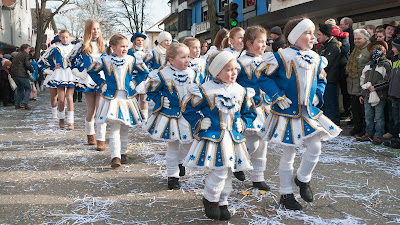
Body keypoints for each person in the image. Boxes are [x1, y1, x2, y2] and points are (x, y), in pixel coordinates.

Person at [258, 18, 341, 210]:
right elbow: (262, 77)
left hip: (308, 113)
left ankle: (303, 178)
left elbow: (321, 80)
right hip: (287, 113)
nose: (313, 37)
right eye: (308, 33)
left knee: (315, 147)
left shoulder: (316, 57)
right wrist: (277, 95)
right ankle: (286, 194)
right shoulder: (280, 56)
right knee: (289, 153)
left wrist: (317, 95)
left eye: (314, 33)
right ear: (294, 36)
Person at [182, 51, 256, 220]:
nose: (233, 73)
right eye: (228, 70)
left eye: (235, 69)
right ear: (216, 72)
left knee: (229, 170)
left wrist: (243, 123)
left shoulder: (241, 90)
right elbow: (188, 108)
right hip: (214, 138)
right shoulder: (206, 90)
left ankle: (223, 201)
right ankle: (210, 199)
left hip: (233, 139)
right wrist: (200, 123)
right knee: (220, 171)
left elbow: (249, 112)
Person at [74, 34, 149, 168]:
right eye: (122, 46)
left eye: (126, 46)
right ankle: (115, 156)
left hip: (127, 98)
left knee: (125, 127)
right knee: (114, 127)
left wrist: (135, 81)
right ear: (113, 47)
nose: (125, 49)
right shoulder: (106, 60)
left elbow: (145, 72)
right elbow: (92, 71)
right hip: (112, 98)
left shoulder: (131, 59)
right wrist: (102, 84)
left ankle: (123, 152)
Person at [144, 43, 195, 190]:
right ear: (171, 60)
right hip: (170, 116)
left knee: (188, 143)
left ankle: (179, 162)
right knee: (172, 146)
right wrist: (160, 100)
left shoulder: (192, 73)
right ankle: (172, 176)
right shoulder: (162, 74)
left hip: (188, 115)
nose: (187, 60)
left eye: (188, 57)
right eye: (183, 57)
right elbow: (151, 91)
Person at [236, 25, 271, 190]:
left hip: (266, 108)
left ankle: (258, 177)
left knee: (263, 144)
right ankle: (237, 163)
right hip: (249, 109)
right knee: (253, 142)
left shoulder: (267, 61)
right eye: (260, 42)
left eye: (265, 42)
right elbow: (232, 84)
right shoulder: (240, 63)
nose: (264, 45)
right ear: (249, 43)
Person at [69, 19, 108, 150]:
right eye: (93, 29)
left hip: (102, 80)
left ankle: (101, 139)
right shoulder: (81, 46)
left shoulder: (106, 46)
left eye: (98, 28)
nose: (96, 31)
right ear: (88, 31)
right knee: (91, 110)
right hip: (88, 80)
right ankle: (90, 134)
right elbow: (69, 60)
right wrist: (78, 73)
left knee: (101, 110)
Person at [356, 41, 391, 145]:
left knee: (379, 115)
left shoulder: (386, 64)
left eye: (379, 50)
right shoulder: (368, 65)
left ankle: (378, 135)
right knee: (368, 115)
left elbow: (388, 80)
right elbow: (362, 80)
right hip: (367, 95)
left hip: (380, 95)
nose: (376, 52)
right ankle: (368, 132)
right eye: (374, 50)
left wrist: (375, 87)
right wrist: (362, 93)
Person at [42, 30, 76, 130]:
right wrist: (52, 67)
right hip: (60, 74)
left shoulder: (74, 48)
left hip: (70, 74)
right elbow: (44, 59)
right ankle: (61, 119)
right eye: (63, 37)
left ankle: (70, 122)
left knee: (69, 98)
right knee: (61, 99)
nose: (65, 39)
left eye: (66, 37)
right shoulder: (56, 48)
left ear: (69, 37)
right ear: (60, 38)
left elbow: (79, 59)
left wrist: (77, 68)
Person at [346, 29, 371, 136]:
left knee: (363, 109)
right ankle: (357, 126)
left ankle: (364, 129)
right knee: (355, 108)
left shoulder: (369, 49)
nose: (356, 40)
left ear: (366, 38)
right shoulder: (355, 49)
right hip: (352, 84)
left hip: (363, 83)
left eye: (359, 38)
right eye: (355, 38)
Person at [317, 24, 341, 125]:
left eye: (319, 34)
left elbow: (326, 64)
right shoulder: (324, 46)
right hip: (325, 79)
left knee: (330, 104)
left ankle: (332, 125)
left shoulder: (333, 47)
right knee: (325, 104)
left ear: (325, 35)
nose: (317, 37)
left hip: (330, 80)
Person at [127, 32, 152, 122]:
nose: (140, 42)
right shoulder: (129, 51)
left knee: (144, 98)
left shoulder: (148, 52)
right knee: (134, 98)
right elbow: (128, 63)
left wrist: (148, 70)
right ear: (134, 41)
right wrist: (132, 69)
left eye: (142, 40)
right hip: (134, 78)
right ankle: (134, 116)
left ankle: (144, 118)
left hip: (144, 78)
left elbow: (151, 64)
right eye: (138, 40)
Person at [38, 35, 61, 119]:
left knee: (61, 96)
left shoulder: (64, 50)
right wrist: (48, 69)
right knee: (55, 96)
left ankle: (60, 112)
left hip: (62, 75)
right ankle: (55, 113)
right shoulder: (52, 50)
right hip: (53, 75)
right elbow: (40, 62)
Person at [385, 37, 400, 148]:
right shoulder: (396, 60)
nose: (392, 49)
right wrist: (390, 92)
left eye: (394, 47)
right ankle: (395, 138)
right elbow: (392, 79)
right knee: (395, 118)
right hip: (394, 95)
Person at [10, 44, 35, 110]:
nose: (29, 50)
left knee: (20, 89)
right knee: (28, 88)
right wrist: (32, 70)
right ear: (25, 49)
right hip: (22, 74)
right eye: (28, 49)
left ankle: (17, 104)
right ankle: (25, 103)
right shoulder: (25, 55)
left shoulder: (16, 55)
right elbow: (27, 64)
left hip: (14, 74)